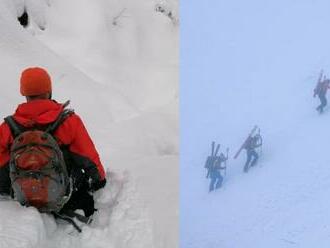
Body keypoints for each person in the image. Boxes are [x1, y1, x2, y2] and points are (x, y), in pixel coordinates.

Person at [0, 67, 106, 218]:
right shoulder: (69, 121)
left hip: (24, 196)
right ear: (49, 91)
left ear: (24, 94)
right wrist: (99, 181)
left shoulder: (8, 127)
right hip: (66, 196)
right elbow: (88, 157)